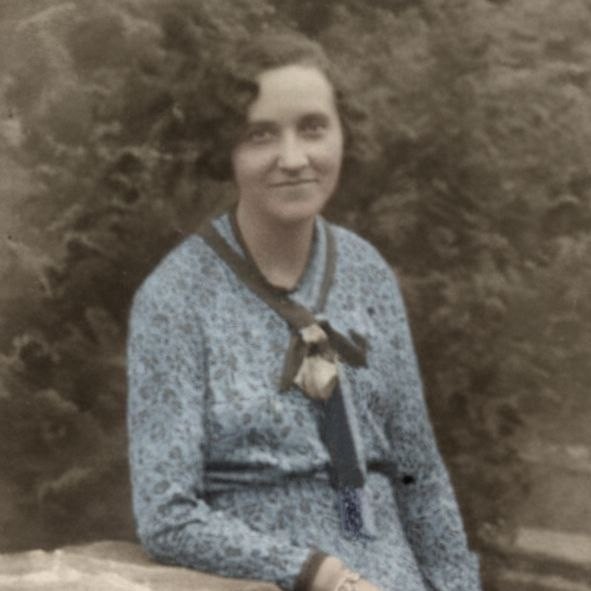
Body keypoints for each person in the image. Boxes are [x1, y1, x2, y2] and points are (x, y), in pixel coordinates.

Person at [127, 31, 482, 591]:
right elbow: (166, 517)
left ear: (342, 134)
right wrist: (316, 573)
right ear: (227, 149)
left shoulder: (366, 271)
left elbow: (420, 474)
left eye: (313, 128)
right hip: (268, 582)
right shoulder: (175, 298)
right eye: (260, 135)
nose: (293, 159)